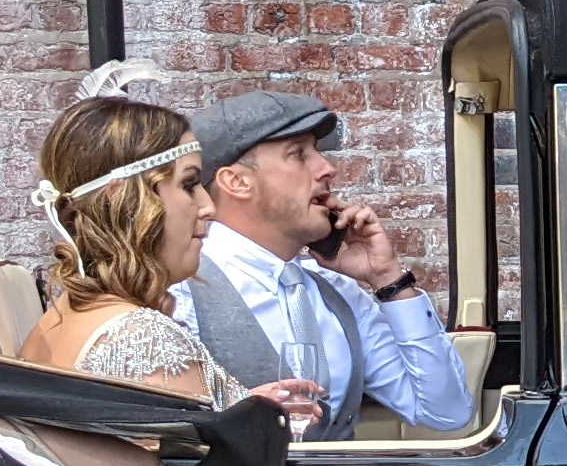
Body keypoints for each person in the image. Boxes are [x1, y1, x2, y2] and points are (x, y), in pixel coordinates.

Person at [13, 69, 325, 427]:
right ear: (127, 201)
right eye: (189, 184)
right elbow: (189, 462)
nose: (207, 206)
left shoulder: (63, 316)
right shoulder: (140, 337)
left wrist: (243, 408)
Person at [177, 89, 481, 441]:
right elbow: (159, 433)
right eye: (298, 154)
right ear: (237, 182)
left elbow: (447, 412)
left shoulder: (336, 292)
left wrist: (388, 279)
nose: (327, 169)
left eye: (317, 152)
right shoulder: (182, 290)